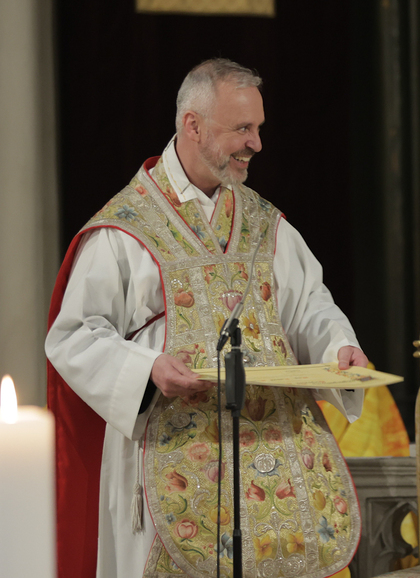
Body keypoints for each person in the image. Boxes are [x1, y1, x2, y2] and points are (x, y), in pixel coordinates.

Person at [46, 59, 369, 578]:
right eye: (242, 129)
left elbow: (308, 304)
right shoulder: (125, 228)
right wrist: (147, 369)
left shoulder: (264, 222)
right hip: (170, 453)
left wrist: (338, 347)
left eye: (258, 128)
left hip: (269, 454)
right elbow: (74, 335)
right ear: (192, 125)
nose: (256, 143)